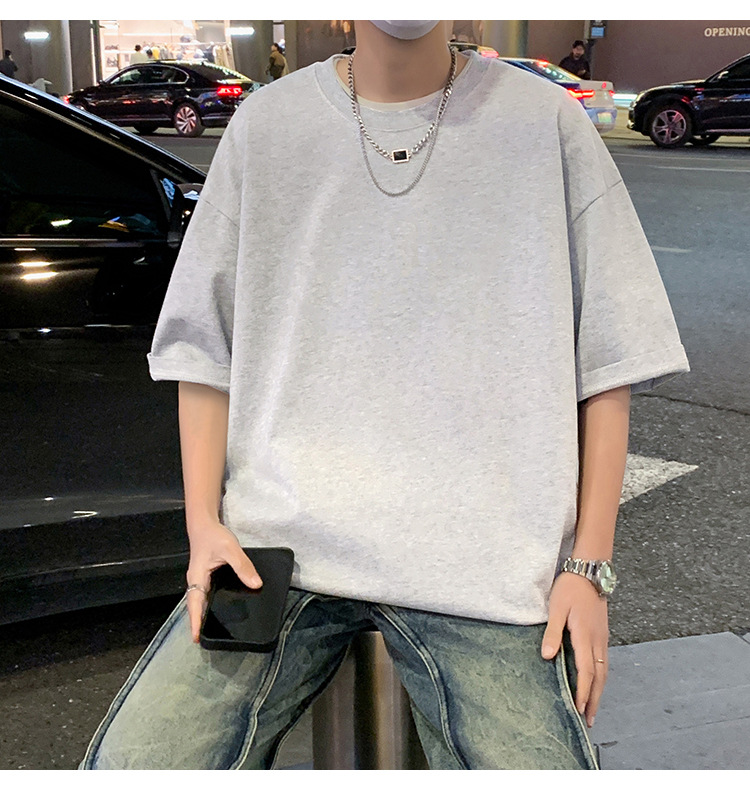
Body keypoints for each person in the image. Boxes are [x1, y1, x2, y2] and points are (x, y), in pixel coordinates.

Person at [79, 20, 689, 770]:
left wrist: (589, 567)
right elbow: (203, 348)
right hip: (276, 547)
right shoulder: (268, 127)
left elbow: (608, 363)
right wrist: (204, 525)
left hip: (490, 562)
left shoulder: (545, 124)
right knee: (137, 766)